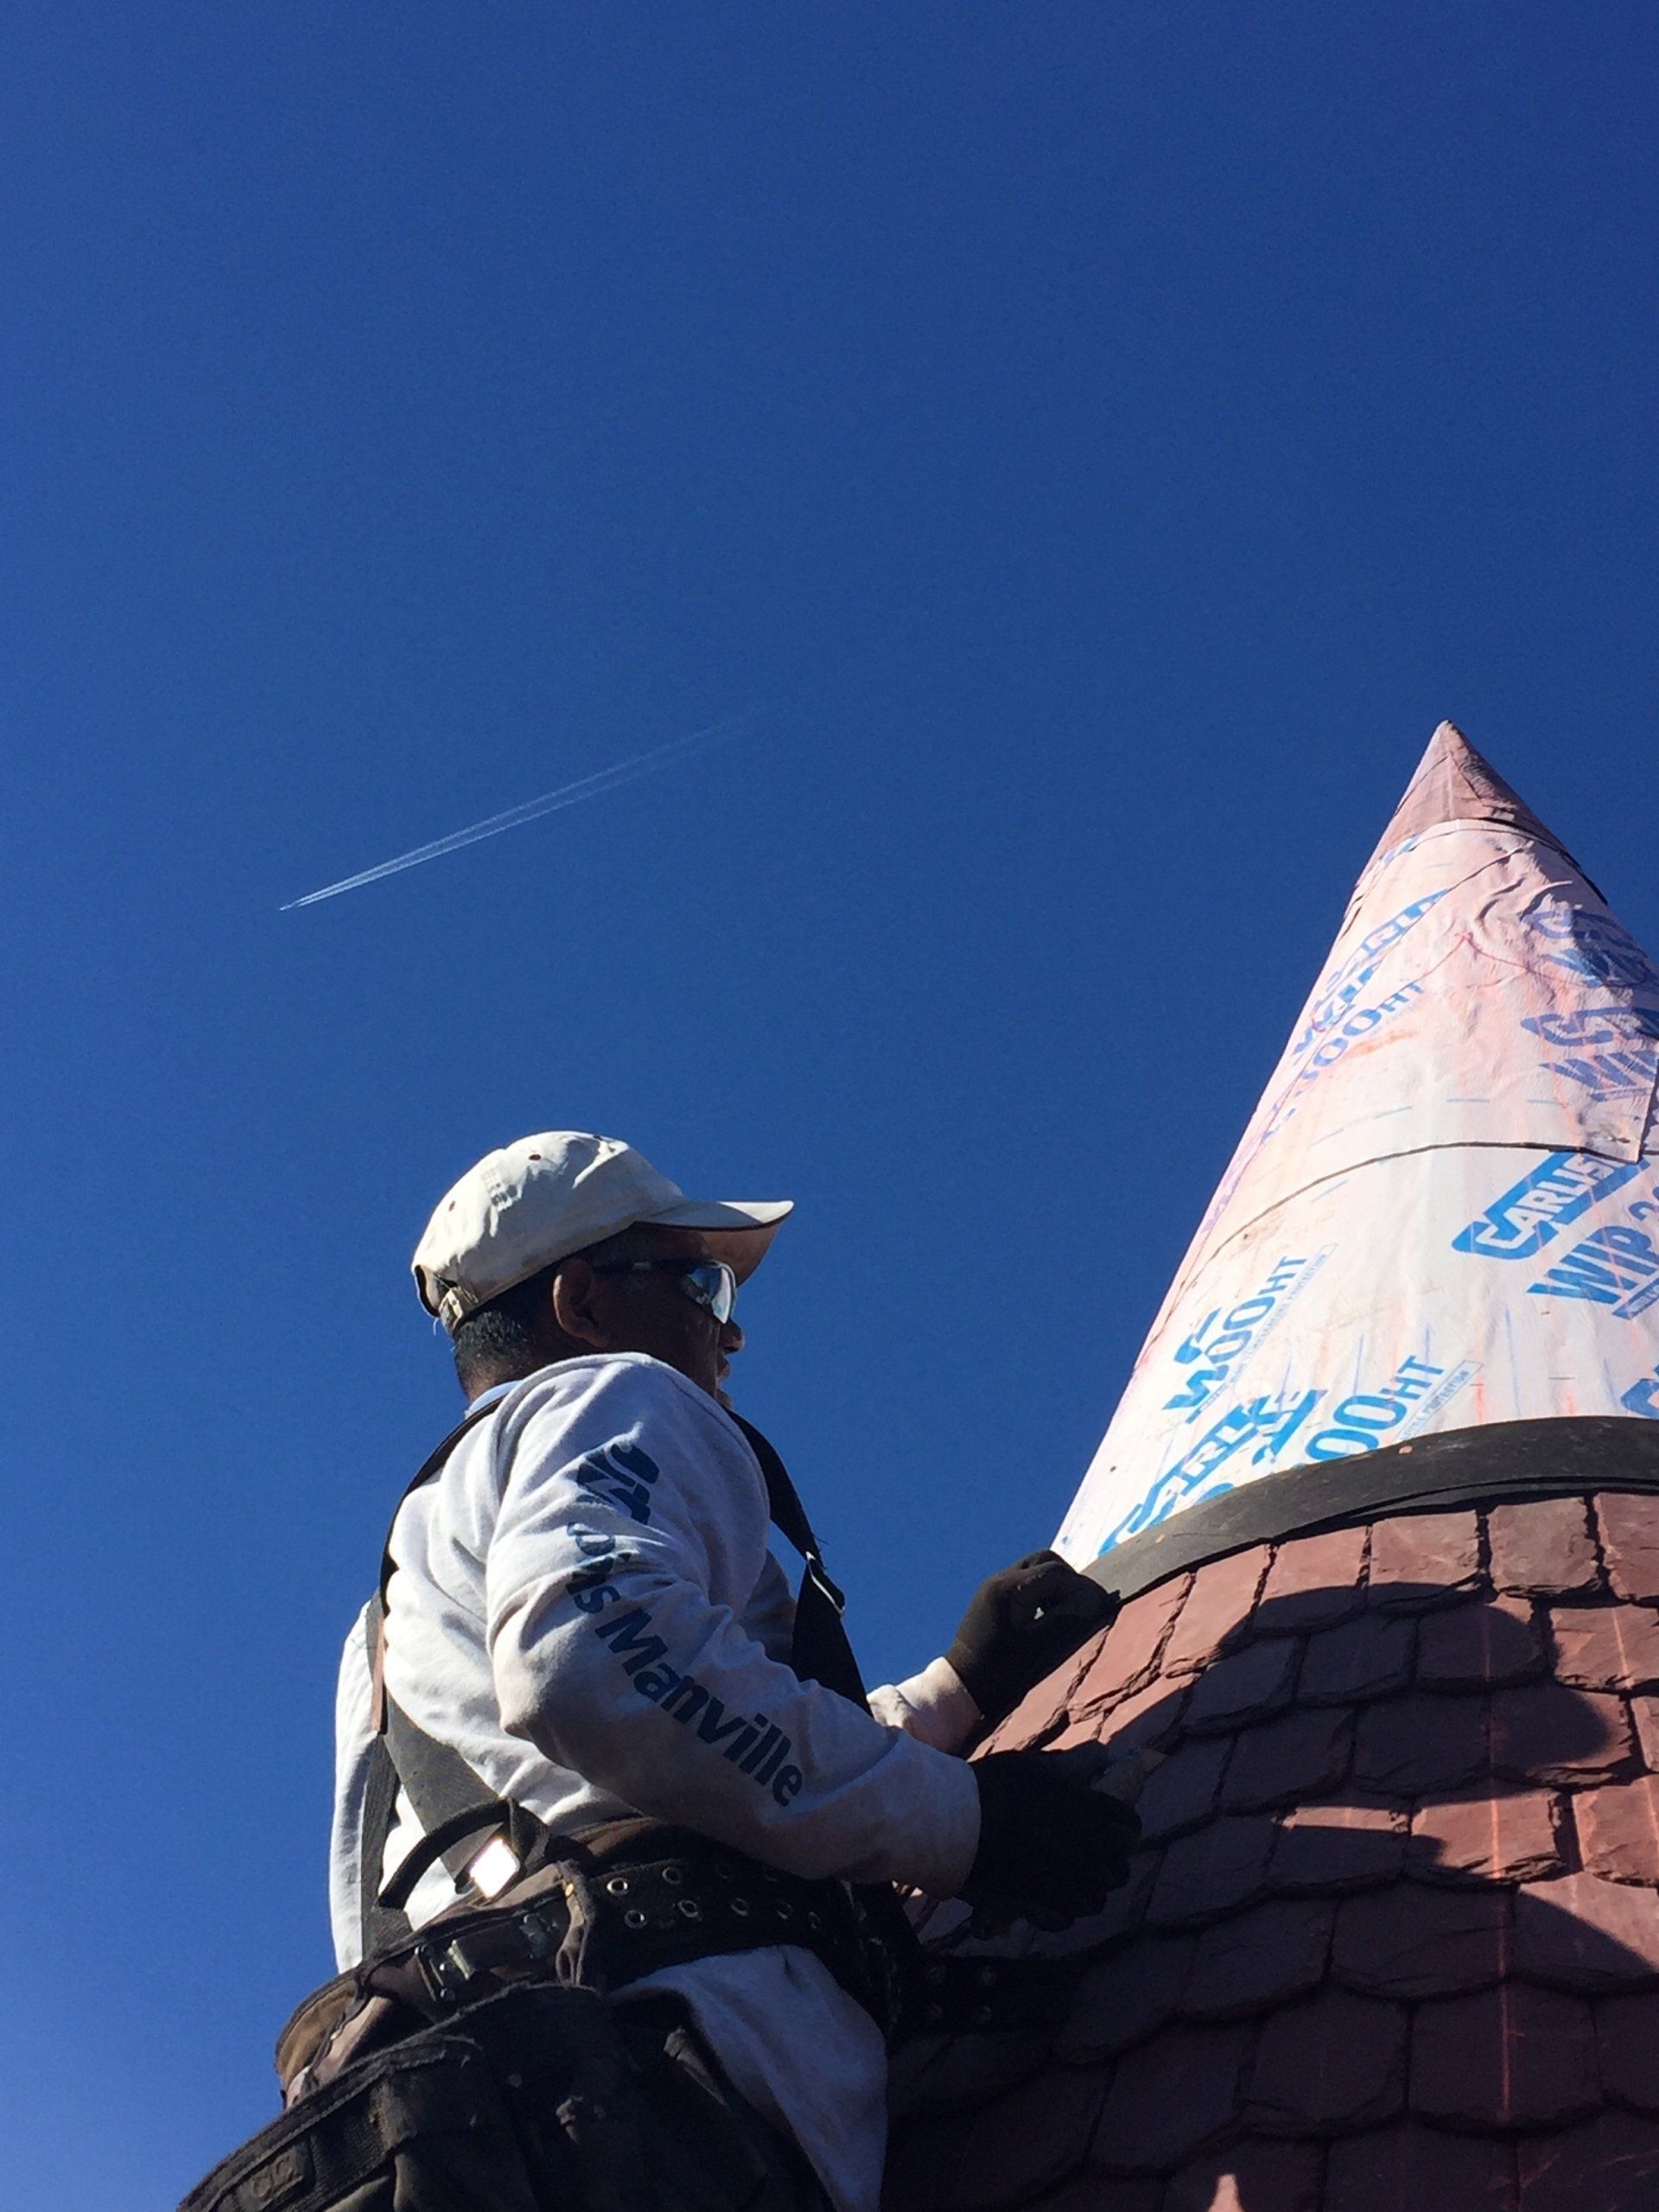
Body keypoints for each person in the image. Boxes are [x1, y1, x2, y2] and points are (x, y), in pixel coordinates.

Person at [324, 1131, 1138, 2212]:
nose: (731, 1326)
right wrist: (968, 1824)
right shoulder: (619, 1396)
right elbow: (588, 1655)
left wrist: (953, 1694)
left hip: (464, 2124)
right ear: (584, 1305)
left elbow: (640, 1750)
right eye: (699, 1280)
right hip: (654, 2096)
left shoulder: (392, 1615)